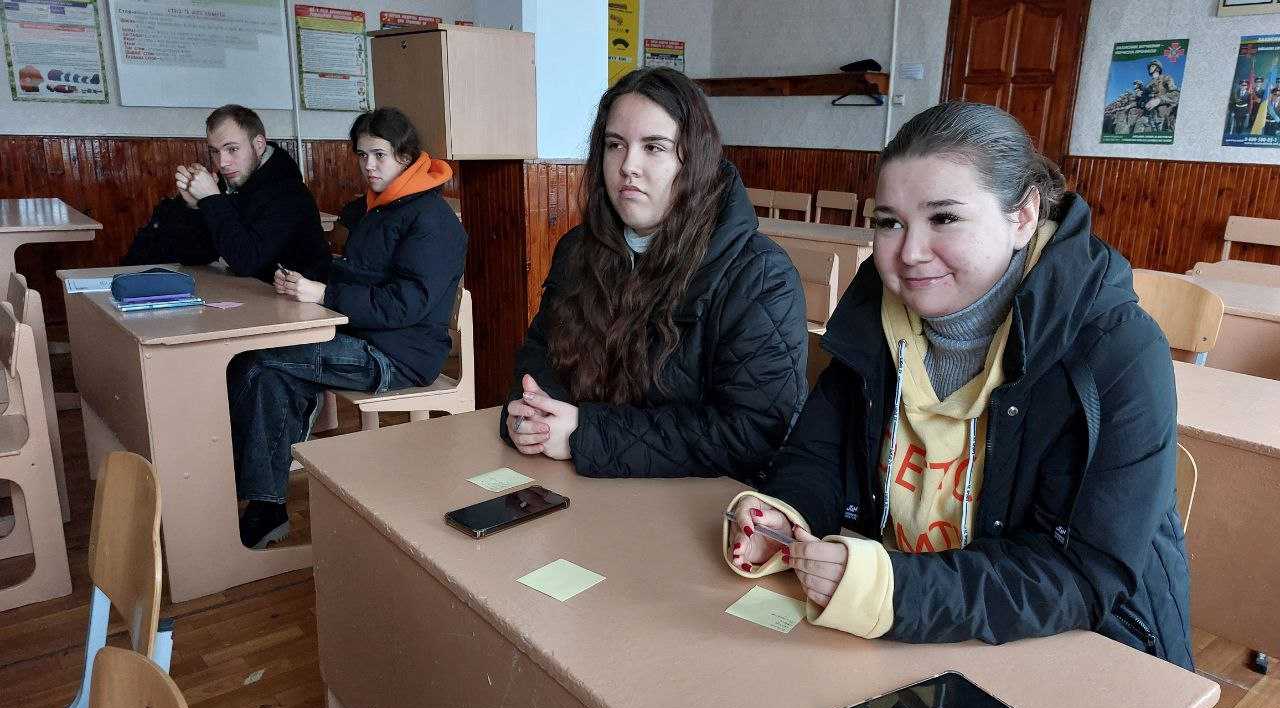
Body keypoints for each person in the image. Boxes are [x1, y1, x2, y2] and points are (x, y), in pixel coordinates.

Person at [724, 101, 1192, 670]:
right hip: (904, 638)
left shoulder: (1117, 348)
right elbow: (819, 453)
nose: (909, 252)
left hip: (1080, 653)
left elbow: (1080, 576)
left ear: (1023, 217)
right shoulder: (875, 307)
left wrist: (894, 590)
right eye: (889, 222)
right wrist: (787, 515)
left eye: (944, 218)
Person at [500, 67, 808, 482]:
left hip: (702, 501)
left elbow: (750, 433)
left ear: (694, 160)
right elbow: (540, 355)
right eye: (615, 145)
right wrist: (531, 412)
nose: (628, 165)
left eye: (654, 147)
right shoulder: (577, 250)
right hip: (579, 482)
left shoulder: (759, 274)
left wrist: (585, 435)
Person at [230, 107, 465, 548]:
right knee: (266, 369)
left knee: (257, 359)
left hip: (399, 356)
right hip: (359, 336)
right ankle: (266, 504)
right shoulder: (374, 208)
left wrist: (324, 294)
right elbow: (358, 275)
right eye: (361, 155)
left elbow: (405, 304)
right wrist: (303, 281)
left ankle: (254, 491)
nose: (368, 166)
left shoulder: (431, 220)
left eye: (379, 155)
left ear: (406, 156)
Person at [122, 104, 330, 282]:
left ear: (258, 145)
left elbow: (247, 262)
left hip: (300, 307)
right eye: (215, 151)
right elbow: (192, 256)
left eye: (232, 149)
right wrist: (194, 207)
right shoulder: (230, 183)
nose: (222, 163)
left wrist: (213, 200)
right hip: (248, 296)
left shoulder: (289, 193)